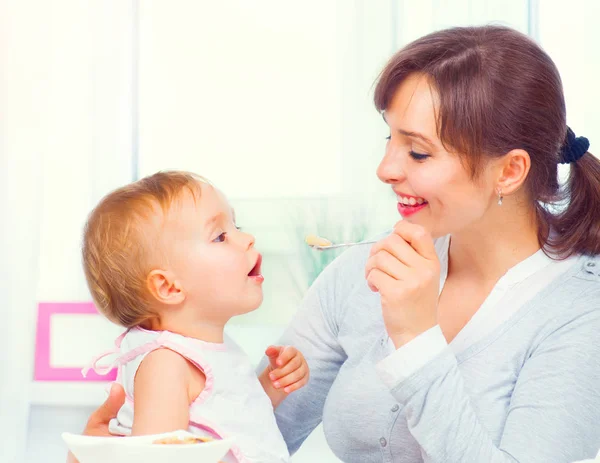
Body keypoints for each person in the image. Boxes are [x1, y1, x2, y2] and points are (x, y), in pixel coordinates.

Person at [72, 25, 600, 463]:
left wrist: (416, 338)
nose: (385, 169)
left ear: (509, 170)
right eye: (388, 139)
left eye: (417, 153)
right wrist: (117, 451)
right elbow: (246, 437)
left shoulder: (580, 314)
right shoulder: (359, 274)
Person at [74, 171, 309, 463]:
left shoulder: (206, 348)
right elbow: (154, 459)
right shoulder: (166, 364)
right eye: (221, 237)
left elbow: (233, 420)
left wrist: (271, 385)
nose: (248, 239)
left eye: (237, 226)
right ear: (168, 287)